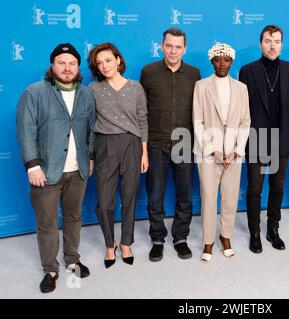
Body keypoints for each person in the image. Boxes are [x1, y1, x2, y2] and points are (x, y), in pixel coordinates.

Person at [16, 43, 95, 293]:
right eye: (61, 62)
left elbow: (91, 130)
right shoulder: (34, 92)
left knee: (73, 217)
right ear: (52, 66)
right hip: (46, 171)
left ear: (78, 67)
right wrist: (32, 166)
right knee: (48, 223)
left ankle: (72, 258)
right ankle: (50, 268)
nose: (67, 67)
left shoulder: (86, 94)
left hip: (78, 171)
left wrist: (90, 157)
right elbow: (26, 131)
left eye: (72, 63)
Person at [239, 25, 289, 253]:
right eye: (267, 41)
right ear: (260, 44)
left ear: (282, 44)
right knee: (255, 188)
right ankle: (254, 232)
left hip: (282, 137)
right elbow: (241, 109)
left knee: (277, 186)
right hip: (256, 137)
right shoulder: (247, 70)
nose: (272, 45)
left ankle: (272, 229)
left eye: (276, 41)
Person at [140, 28, 201, 261]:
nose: (173, 50)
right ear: (161, 46)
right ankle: (157, 239)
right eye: (169, 45)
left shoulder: (195, 74)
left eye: (178, 46)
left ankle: (181, 238)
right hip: (156, 142)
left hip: (184, 142)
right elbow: (141, 110)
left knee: (184, 195)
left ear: (185, 48)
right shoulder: (148, 72)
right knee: (155, 195)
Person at [88, 42, 148, 268]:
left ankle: (126, 242)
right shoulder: (92, 89)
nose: (104, 66)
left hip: (132, 145)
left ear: (118, 60)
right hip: (105, 144)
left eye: (108, 60)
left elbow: (142, 120)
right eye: (99, 63)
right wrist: (92, 155)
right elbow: (90, 124)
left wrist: (144, 153)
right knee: (104, 203)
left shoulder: (135, 87)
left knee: (130, 197)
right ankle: (109, 243)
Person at [193, 43, 251, 263]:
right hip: (209, 153)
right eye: (217, 60)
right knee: (208, 198)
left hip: (233, 154)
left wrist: (237, 150)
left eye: (226, 60)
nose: (222, 64)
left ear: (231, 61)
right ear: (211, 61)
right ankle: (208, 240)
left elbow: (245, 121)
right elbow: (197, 120)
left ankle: (225, 236)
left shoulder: (241, 88)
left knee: (230, 197)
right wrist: (212, 150)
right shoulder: (201, 86)